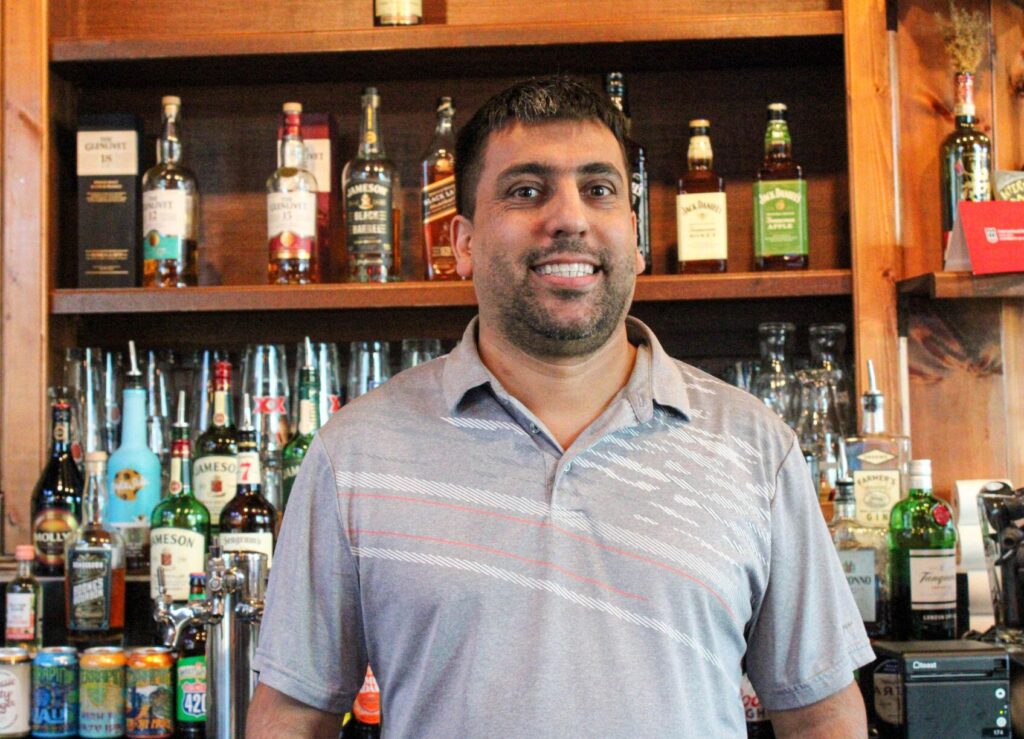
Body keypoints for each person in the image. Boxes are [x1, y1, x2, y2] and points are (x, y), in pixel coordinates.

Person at [247, 76, 873, 738]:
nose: (569, 217)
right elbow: (291, 716)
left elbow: (822, 713)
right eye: (526, 190)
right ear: (460, 243)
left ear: (633, 238)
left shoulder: (753, 445)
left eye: (598, 190)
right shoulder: (356, 452)